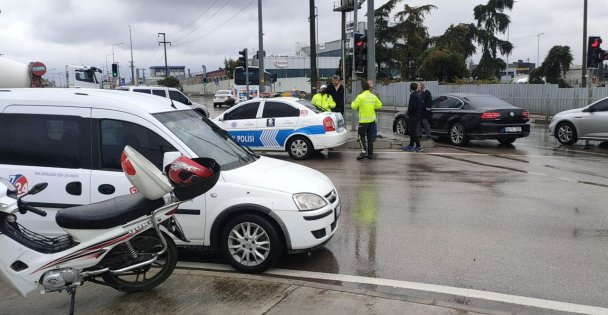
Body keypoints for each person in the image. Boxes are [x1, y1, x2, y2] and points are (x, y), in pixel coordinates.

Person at [352, 80, 382, 160]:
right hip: (372, 120)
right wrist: (372, 107)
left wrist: (360, 106)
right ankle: (370, 154)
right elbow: (379, 105)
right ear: (369, 88)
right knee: (370, 137)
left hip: (363, 121)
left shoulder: (360, 96)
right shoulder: (373, 96)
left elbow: (353, 106)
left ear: (362, 88)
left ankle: (363, 152)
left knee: (361, 136)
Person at [403, 82, 423, 152]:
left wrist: (408, 112)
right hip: (417, 115)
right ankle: (411, 145)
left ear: (410, 88)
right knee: (412, 130)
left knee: (413, 131)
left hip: (413, 115)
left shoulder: (413, 95)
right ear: (416, 87)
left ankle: (418, 146)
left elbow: (412, 106)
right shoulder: (419, 95)